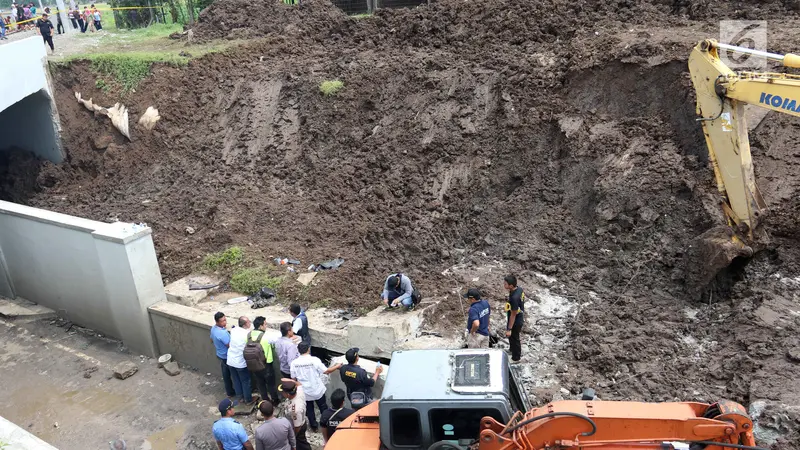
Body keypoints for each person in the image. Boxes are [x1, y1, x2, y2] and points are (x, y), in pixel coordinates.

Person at [290, 342, 342, 431]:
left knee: (309, 410)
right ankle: (326, 423)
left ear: (298, 351)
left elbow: (293, 378)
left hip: (305, 392)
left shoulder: (294, 363)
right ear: (308, 349)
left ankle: (314, 426)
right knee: (323, 407)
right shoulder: (314, 360)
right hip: (317, 389)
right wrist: (337, 366)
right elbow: (326, 371)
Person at [248, 316, 280, 406]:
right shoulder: (266, 336)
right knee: (270, 384)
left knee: (260, 383)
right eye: (265, 324)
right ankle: (275, 401)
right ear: (261, 326)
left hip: (254, 364)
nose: (266, 326)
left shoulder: (249, 335)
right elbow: (277, 340)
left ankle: (265, 400)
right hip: (266, 365)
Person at [227, 316, 257, 405]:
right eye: (248, 322)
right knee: (245, 381)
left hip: (231, 360)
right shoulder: (247, 334)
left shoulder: (234, 330)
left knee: (236, 379)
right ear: (245, 324)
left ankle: (240, 397)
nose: (250, 323)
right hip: (240, 362)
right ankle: (248, 399)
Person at [210, 312, 237, 399]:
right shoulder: (222, 333)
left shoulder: (213, 329)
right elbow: (229, 345)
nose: (225, 322)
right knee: (235, 374)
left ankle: (229, 392)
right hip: (227, 356)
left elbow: (211, 340)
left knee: (226, 375)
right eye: (222, 321)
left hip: (220, 354)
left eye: (225, 320)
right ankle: (237, 393)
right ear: (217, 322)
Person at [279, 380, 311, 450]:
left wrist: (293, 435)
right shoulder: (299, 391)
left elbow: (297, 426)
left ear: (288, 394)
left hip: (298, 427)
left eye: (283, 392)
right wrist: (290, 381)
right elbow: (299, 384)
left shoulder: (295, 410)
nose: (282, 393)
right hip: (299, 421)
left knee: (301, 443)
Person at [503, 275, 526, 363]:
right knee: (511, 337)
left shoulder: (514, 298)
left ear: (511, 286)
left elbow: (513, 315)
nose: (504, 285)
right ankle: (511, 349)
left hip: (516, 320)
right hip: (518, 314)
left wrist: (509, 329)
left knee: (515, 338)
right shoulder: (519, 289)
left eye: (505, 284)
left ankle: (516, 358)